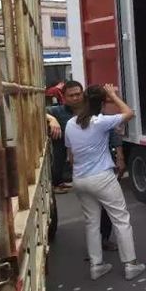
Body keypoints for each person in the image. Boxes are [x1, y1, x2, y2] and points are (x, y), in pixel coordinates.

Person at [65, 84, 145, 281]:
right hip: (101, 178)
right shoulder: (100, 122)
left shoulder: (70, 124)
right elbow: (129, 113)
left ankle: (96, 266)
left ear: (84, 100)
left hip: (79, 178)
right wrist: (112, 95)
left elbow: (71, 157)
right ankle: (130, 264)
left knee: (92, 222)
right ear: (102, 103)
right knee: (120, 219)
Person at [46, 80, 124, 252]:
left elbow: (111, 131)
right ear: (64, 98)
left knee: (105, 208)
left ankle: (104, 240)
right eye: (71, 95)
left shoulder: (93, 110)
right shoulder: (59, 112)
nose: (75, 98)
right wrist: (52, 120)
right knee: (92, 214)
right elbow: (40, 111)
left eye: (78, 94)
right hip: (70, 170)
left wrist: (120, 156)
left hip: (99, 168)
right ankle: (96, 251)